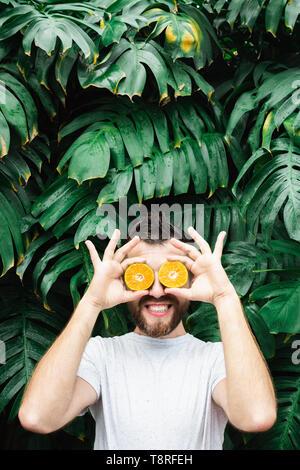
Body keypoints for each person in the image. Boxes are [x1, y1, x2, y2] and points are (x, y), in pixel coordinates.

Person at [18, 217, 277, 450]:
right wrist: (91, 302)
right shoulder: (101, 356)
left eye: (171, 275)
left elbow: (256, 417)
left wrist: (224, 297)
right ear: (123, 280)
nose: (155, 291)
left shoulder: (216, 361)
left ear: (191, 280)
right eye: (141, 275)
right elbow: (37, 417)